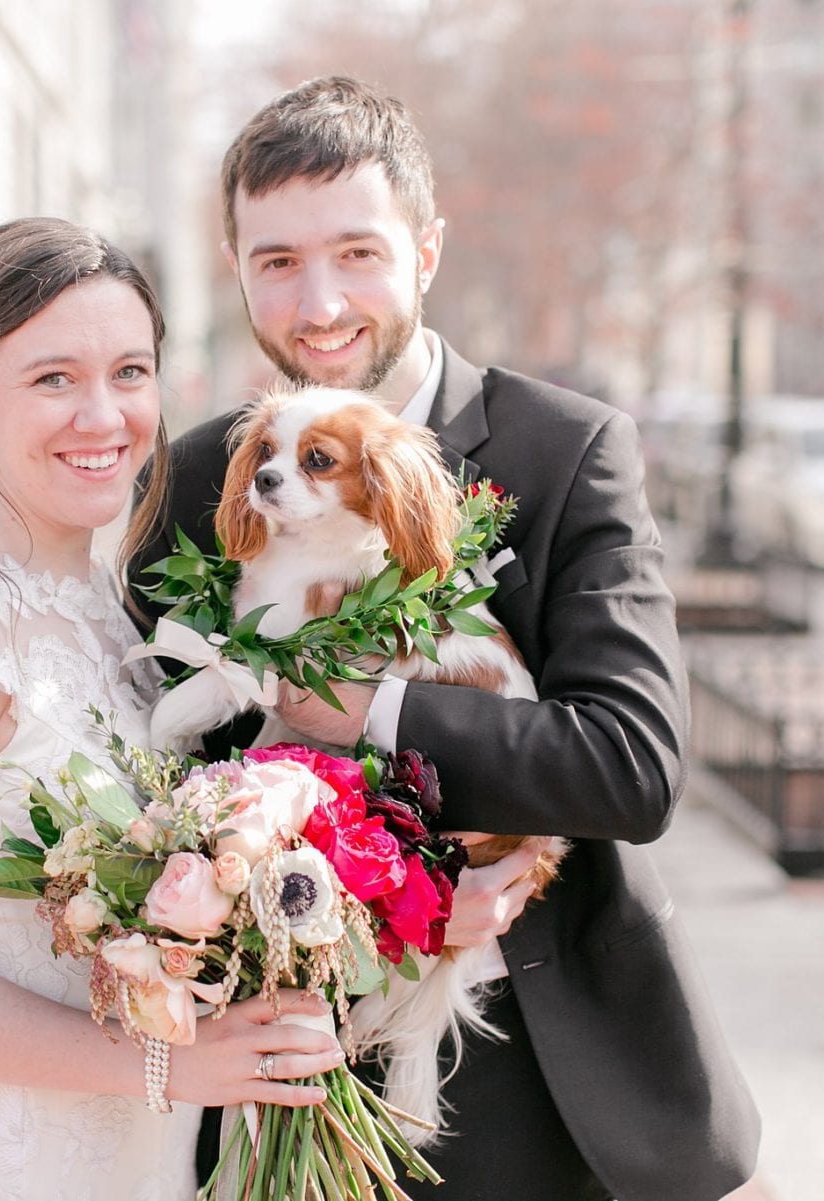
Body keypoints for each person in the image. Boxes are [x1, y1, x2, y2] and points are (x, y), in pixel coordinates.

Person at [132, 79, 761, 1201]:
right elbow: (154, 761)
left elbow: (633, 762)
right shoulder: (199, 477)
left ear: (426, 249)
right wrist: (329, 882)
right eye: (276, 261)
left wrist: (373, 710)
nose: (318, 304)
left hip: (540, 1075)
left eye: (355, 253)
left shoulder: (566, 450)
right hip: (276, 1066)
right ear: (237, 270)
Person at [0, 217, 343, 1201]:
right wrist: (165, 1064)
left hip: (142, 1160)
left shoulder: (103, 594)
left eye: (130, 372)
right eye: (54, 378)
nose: (104, 415)